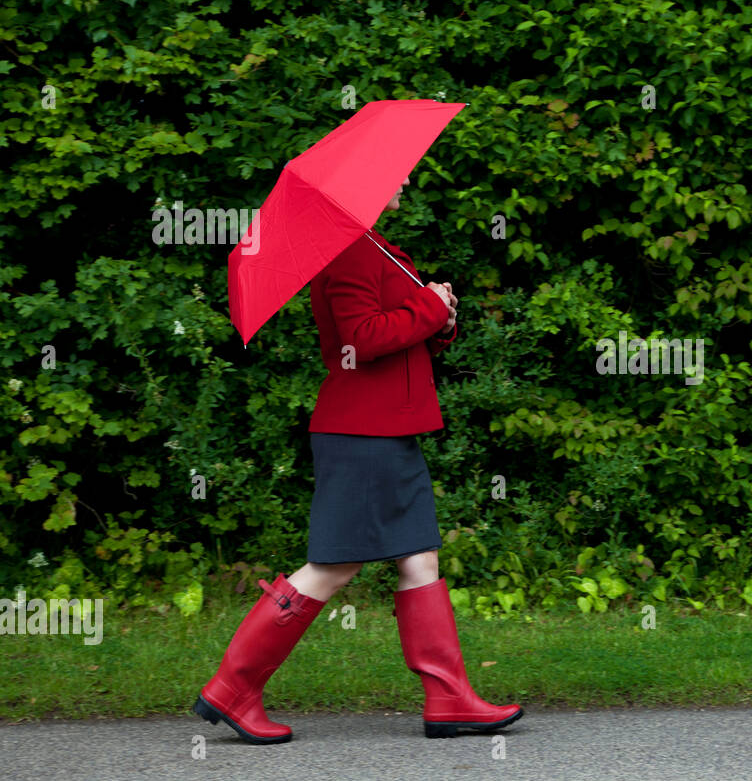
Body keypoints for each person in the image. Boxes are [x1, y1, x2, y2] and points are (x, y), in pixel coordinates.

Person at [193, 175, 522, 743]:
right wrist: (428, 303)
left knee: (419, 558)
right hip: (361, 431)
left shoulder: (375, 245)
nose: (407, 179)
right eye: (398, 175)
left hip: (393, 427)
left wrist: (440, 320)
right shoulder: (347, 254)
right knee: (333, 565)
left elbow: (400, 330)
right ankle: (233, 688)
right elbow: (362, 338)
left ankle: (448, 698)